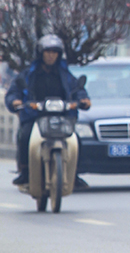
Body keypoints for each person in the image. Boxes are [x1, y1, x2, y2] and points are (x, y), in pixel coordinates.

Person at [4, 35, 90, 188]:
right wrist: (15, 101)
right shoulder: (29, 74)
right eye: (48, 51)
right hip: (34, 117)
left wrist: (83, 100)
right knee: (25, 136)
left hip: (61, 117)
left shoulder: (65, 75)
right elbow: (14, 92)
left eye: (55, 52)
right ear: (41, 53)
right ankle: (24, 173)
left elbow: (77, 90)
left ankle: (74, 174)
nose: (51, 55)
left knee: (76, 140)